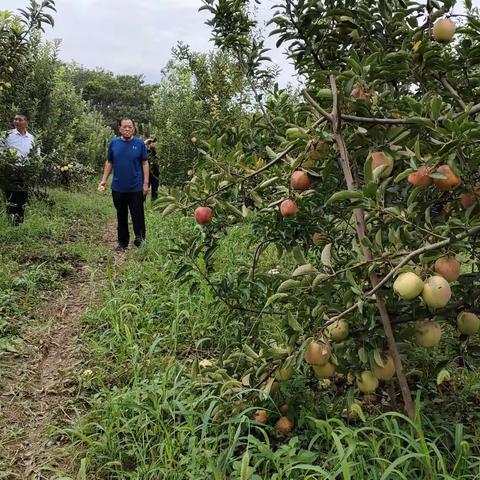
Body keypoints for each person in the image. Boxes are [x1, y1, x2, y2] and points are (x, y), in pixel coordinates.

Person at [99, 118, 149, 252]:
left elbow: (145, 163)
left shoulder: (139, 144)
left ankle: (139, 241)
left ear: (133, 128)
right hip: (118, 187)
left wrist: (145, 183)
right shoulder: (113, 143)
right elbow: (109, 162)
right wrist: (104, 179)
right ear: (120, 128)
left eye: (130, 127)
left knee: (138, 215)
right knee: (121, 215)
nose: (127, 129)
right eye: (124, 127)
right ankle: (122, 242)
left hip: (136, 187)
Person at [2, 114, 36, 225]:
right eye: (15, 119)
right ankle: (10, 220)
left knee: (23, 195)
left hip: (25, 171)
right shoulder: (7, 135)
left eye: (20, 120)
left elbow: (36, 152)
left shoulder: (31, 137)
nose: (16, 121)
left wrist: (33, 164)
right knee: (11, 195)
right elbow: (1, 149)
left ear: (26, 123)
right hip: (11, 169)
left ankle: (20, 220)